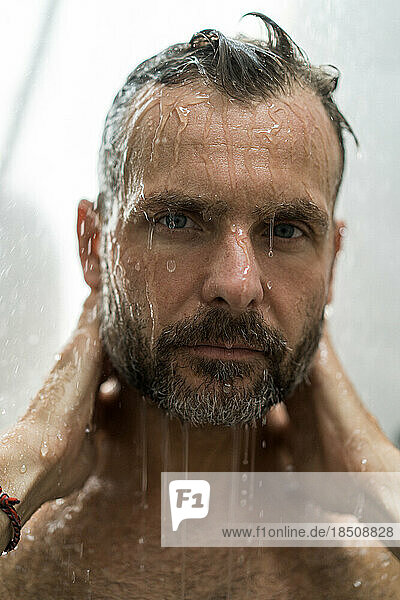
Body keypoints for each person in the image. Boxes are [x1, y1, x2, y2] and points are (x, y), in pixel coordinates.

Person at [0, 12, 399, 599]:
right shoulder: (21, 514)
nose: (237, 285)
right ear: (95, 246)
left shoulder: (375, 521)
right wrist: (26, 459)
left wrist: (375, 475)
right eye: (178, 220)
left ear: (331, 262)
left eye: (286, 230)